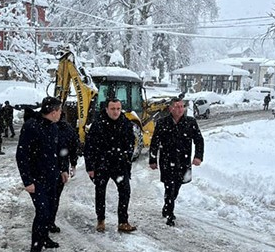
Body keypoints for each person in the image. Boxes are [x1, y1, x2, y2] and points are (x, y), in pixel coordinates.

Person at [16, 97, 68, 252]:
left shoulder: (53, 127)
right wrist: (27, 181)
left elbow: (59, 150)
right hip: (36, 180)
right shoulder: (31, 127)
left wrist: (63, 169)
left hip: (52, 178)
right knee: (43, 212)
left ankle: (45, 238)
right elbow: (21, 155)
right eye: (59, 111)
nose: (61, 114)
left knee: (50, 210)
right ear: (53, 112)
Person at [149, 97, 204, 226]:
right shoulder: (162, 123)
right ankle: (169, 213)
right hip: (167, 161)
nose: (180, 109)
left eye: (182, 106)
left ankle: (167, 205)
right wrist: (153, 160)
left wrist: (198, 156)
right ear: (170, 108)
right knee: (169, 186)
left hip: (183, 161)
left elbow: (199, 140)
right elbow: (155, 143)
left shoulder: (190, 122)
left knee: (177, 187)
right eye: (177, 107)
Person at [84, 98, 137, 233]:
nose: (116, 112)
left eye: (118, 109)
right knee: (100, 192)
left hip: (119, 165)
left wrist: (127, 158)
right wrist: (90, 167)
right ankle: (100, 219)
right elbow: (89, 147)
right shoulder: (98, 125)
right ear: (107, 109)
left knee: (125, 191)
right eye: (113, 109)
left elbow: (131, 143)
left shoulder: (126, 124)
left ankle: (123, 222)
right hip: (102, 165)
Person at [49, 113, 80, 233]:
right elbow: (73, 147)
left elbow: (73, 147)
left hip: (52, 168)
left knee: (49, 197)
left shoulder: (42, 127)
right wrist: (72, 164)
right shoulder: (66, 128)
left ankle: (47, 222)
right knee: (54, 197)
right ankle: (49, 222)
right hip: (59, 168)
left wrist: (72, 164)